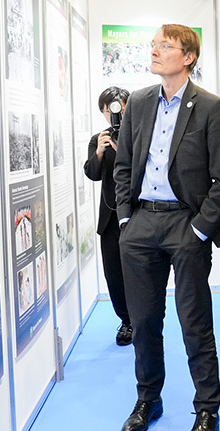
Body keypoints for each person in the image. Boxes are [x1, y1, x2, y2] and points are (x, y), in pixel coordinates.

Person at [114, 24, 220, 431]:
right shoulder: (138, 102)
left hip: (186, 224)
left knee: (194, 323)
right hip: (141, 225)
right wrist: (126, 218)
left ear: (188, 57)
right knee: (144, 322)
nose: (155, 51)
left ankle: (207, 408)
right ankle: (147, 400)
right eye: (153, 45)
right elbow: (123, 165)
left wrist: (200, 229)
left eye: (164, 46)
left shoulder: (212, 107)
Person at [83, 86, 132, 346]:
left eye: (119, 108)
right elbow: (92, 173)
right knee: (113, 273)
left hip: (136, 214)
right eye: (108, 110)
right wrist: (100, 151)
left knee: (140, 271)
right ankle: (126, 320)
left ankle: (143, 318)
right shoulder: (98, 138)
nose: (113, 114)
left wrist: (123, 145)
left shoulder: (137, 134)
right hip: (110, 217)